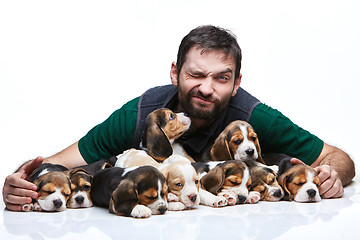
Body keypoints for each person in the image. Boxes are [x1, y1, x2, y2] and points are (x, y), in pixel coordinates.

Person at [3, 25, 355, 211]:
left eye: (221, 77)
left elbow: (339, 158)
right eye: (196, 74)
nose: (206, 88)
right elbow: (55, 163)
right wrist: (21, 181)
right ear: (175, 72)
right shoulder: (141, 114)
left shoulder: (251, 117)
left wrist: (330, 175)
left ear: (236, 84)